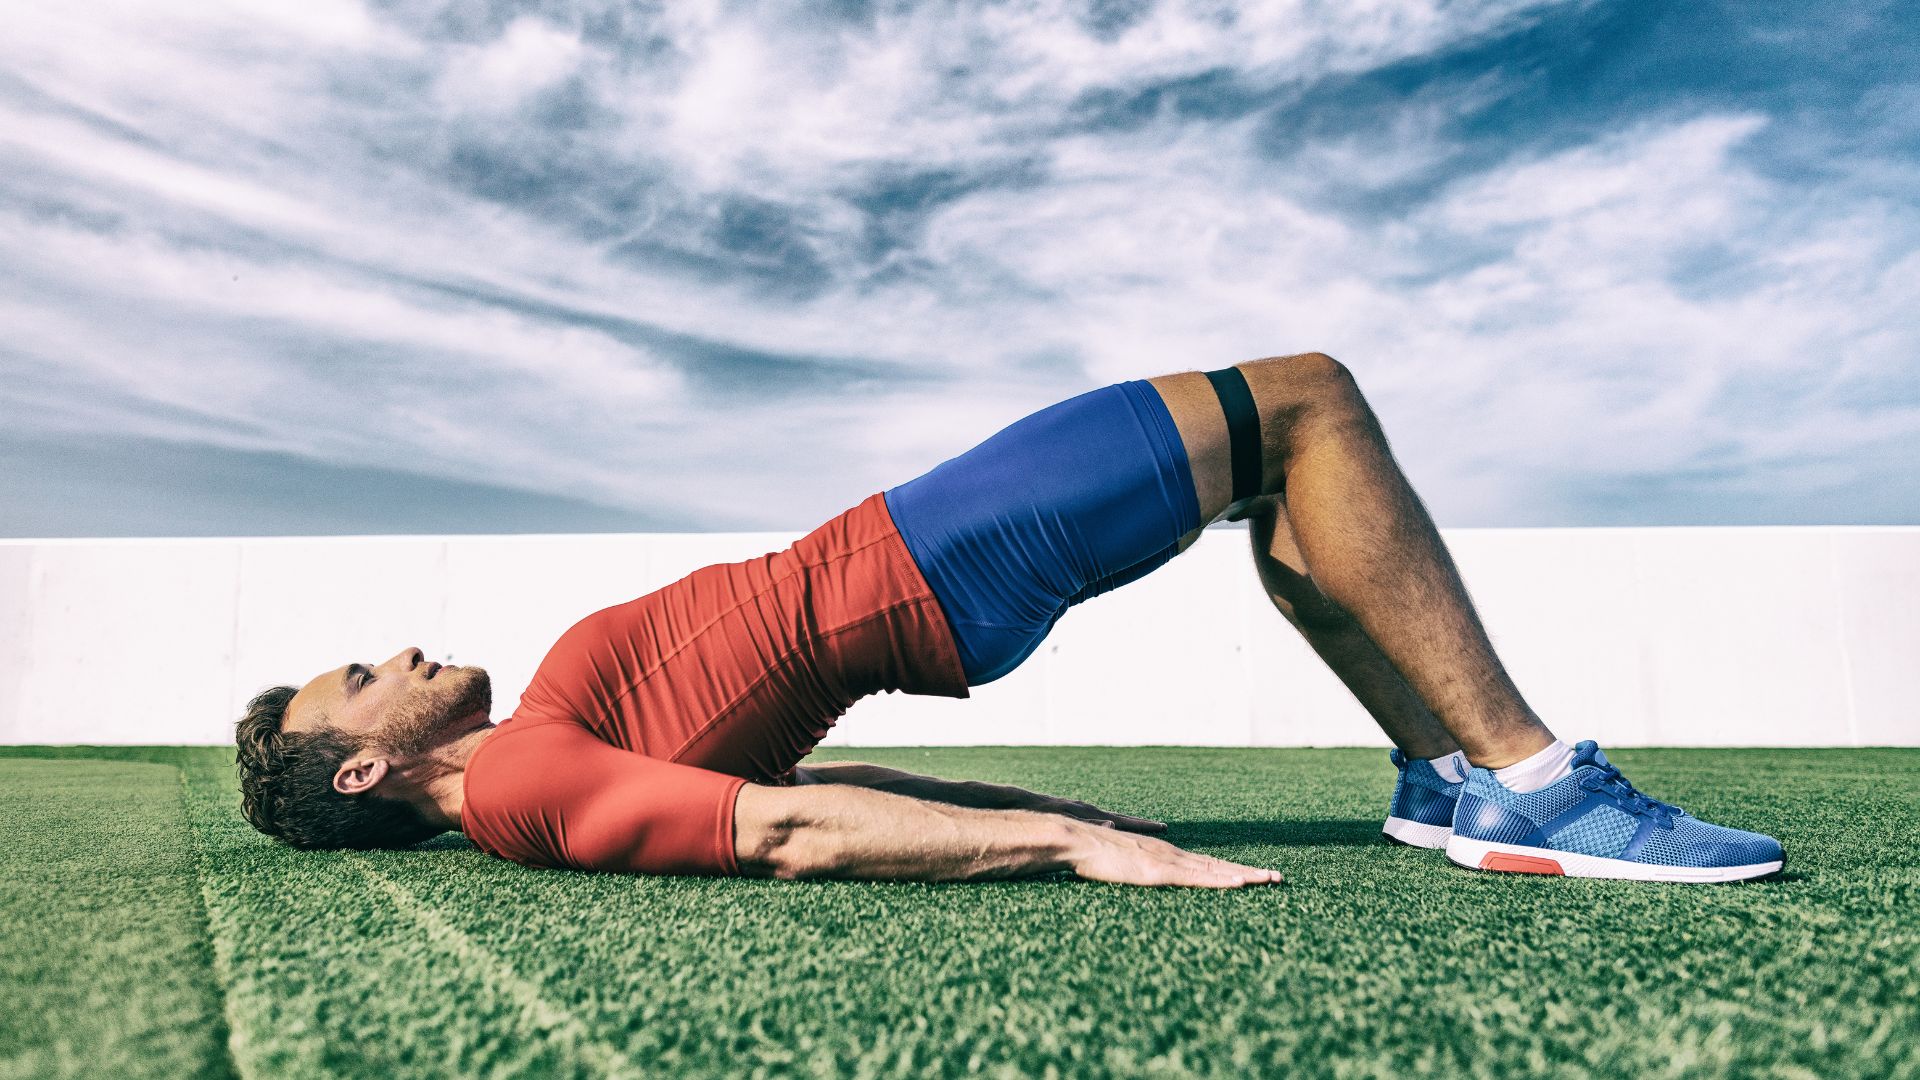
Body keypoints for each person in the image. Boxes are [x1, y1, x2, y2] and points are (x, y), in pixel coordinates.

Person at [236, 353, 1783, 887]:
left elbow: (799, 795)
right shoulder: (514, 788)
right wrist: (1069, 847)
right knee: (1305, 402)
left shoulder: (536, 758)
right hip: (925, 560)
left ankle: (1446, 782)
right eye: (360, 680)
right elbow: (787, 836)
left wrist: (1034, 801)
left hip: (911, 556)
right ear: (362, 768)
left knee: (1282, 470)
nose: (397, 656)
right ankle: (1532, 780)